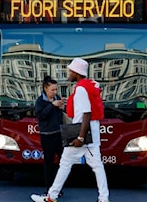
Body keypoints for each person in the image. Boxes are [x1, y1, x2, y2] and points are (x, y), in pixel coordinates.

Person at [31, 58, 110, 202]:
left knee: (65, 164)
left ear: (76, 72)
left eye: (71, 70)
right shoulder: (89, 86)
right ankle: (104, 199)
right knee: (97, 167)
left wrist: (80, 138)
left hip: (81, 133)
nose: (69, 73)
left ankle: (51, 197)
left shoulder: (80, 89)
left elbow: (86, 113)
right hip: (92, 134)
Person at [33, 76, 64, 197]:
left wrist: (61, 107)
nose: (55, 92)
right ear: (46, 89)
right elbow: (40, 116)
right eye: (52, 90)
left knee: (63, 161)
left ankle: (58, 187)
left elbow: (60, 115)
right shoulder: (40, 101)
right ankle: (49, 189)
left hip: (59, 134)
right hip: (47, 136)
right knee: (49, 163)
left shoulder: (57, 98)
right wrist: (52, 106)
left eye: (56, 89)